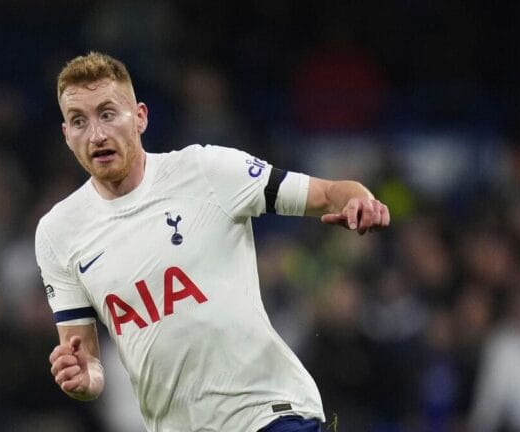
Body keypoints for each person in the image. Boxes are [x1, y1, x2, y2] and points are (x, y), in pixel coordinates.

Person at [36, 52, 390, 432]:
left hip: (269, 413)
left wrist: (359, 199)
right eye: (79, 121)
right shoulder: (58, 232)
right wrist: (84, 379)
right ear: (66, 135)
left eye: (108, 114)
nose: (96, 134)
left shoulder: (205, 171)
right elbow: (86, 358)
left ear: (140, 117)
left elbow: (329, 192)